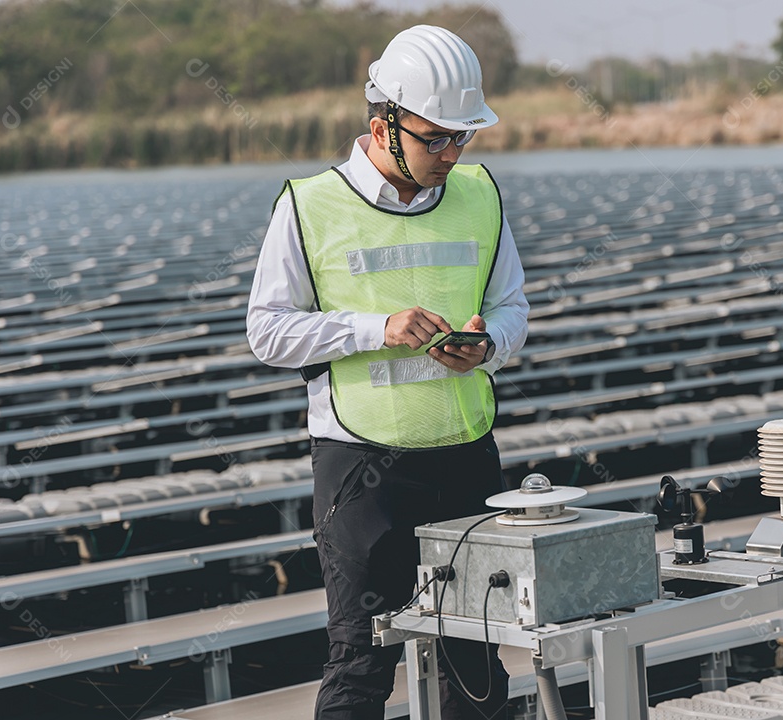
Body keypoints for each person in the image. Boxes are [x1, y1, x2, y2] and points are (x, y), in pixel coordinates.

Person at [245, 24, 528, 720]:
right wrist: (379, 330)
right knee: (362, 663)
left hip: (465, 459)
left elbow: (512, 307)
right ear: (384, 126)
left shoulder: (480, 195)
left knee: (477, 658)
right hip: (362, 469)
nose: (452, 154)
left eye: (464, 138)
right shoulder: (310, 206)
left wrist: (488, 343)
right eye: (438, 138)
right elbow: (267, 331)